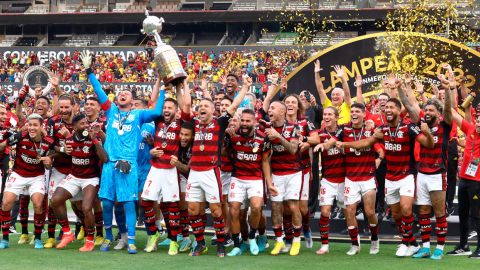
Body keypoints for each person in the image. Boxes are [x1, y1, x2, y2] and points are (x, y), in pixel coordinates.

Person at [80, 50, 165, 254]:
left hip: (129, 164)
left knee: (128, 204)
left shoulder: (138, 114)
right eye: (120, 93)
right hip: (109, 163)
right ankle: (109, 238)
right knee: (107, 203)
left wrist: (163, 90)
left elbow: (158, 112)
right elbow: (99, 89)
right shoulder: (110, 111)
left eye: (127, 93)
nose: (122, 94)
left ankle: (132, 241)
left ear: (132, 99)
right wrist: (89, 71)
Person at [340, 80, 435, 257]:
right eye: (387, 108)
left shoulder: (408, 128)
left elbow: (428, 144)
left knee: (407, 209)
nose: (388, 110)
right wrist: (344, 143)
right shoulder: (381, 130)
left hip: (406, 175)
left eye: (392, 107)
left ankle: (404, 242)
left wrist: (428, 133)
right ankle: (412, 243)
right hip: (390, 177)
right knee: (397, 216)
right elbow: (365, 143)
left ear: (399, 111)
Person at [181, 75, 250, 257]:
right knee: (193, 210)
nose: (202, 108)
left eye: (206, 106)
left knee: (216, 210)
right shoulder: (194, 124)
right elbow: (186, 105)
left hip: (211, 172)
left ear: (213, 110)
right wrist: (185, 85)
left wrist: (245, 87)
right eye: (200, 106)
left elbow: (234, 106)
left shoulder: (219, 123)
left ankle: (220, 245)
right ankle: (200, 244)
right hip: (194, 172)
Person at [319, 103, 384, 255]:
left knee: (369, 212)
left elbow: (366, 143)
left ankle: (374, 239)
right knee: (349, 212)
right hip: (350, 178)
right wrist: (325, 145)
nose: (354, 113)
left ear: (363, 114)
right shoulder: (344, 129)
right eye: (352, 111)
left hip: (367, 177)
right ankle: (355, 244)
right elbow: (329, 144)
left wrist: (345, 144)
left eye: (357, 111)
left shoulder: (370, 130)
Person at [50, 114, 109, 251]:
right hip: (74, 176)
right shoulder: (69, 139)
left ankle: (90, 241)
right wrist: (61, 150)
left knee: (86, 208)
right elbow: (59, 150)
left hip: (91, 177)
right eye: (82, 124)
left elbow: (105, 158)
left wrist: (95, 140)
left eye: (86, 123)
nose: (86, 125)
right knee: (54, 201)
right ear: (74, 127)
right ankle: (67, 232)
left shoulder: (92, 137)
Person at [142, 81, 187, 255]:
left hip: (170, 169)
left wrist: (178, 88)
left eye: (170, 108)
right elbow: (154, 103)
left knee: (170, 205)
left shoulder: (181, 123)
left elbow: (186, 106)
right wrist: (160, 86)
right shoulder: (158, 120)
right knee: (145, 202)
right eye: (165, 107)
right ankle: (154, 234)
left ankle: (174, 242)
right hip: (155, 167)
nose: (166, 110)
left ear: (176, 111)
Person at [224, 109, 274, 256]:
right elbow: (225, 151)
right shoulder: (232, 136)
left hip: (256, 178)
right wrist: (226, 134)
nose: (245, 124)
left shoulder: (263, 138)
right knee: (234, 212)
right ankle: (237, 246)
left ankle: (252, 238)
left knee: (257, 208)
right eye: (243, 121)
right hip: (237, 177)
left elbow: (265, 162)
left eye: (248, 121)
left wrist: (270, 184)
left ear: (254, 122)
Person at [0, 114, 55, 249]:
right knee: (6, 203)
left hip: (37, 176)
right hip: (18, 174)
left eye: (35, 125)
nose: (32, 128)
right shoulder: (20, 136)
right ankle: (5, 239)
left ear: (41, 127)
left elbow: (49, 164)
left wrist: (49, 162)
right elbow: (2, 146)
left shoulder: (48, 141)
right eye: (30, 125)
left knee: (37, 205)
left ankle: (37, 239)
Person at [448, 89, 480, 259]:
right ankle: (463, 246)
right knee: (463, 213)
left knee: (476, 216)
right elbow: (452, 112)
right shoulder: (471, 129)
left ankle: (479, 249)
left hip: (477, 182)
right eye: (479, 121)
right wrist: (447, 89)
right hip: (464, 179)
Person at [44, 94, 76, 249]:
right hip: (59, 168)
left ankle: (84, 231)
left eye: (66, 107)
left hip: (79, 169)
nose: (63, 110)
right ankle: (53, 236)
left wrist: (69, 138)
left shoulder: (80, 122)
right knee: (53, 202)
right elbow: (50, 144)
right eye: (61, 107)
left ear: (74, 106)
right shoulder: (53, 121)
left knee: (79, 205)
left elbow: (83, 147)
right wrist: (63, 149)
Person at [313, 106, 345, 254]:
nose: (326, 116)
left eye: (330, 114)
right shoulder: (319, 134)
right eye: (324, 114)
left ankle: (355, 242)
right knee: (325, 212)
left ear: (337, 117)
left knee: (349, 212)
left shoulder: (345, 132)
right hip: (327, 178)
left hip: (345, 179)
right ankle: (324, 245)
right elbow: (309, 142)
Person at [170, 121, 195, 252]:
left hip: (193, 176)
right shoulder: (176, 142)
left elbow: (188, 170)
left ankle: (189, 238)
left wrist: (177, 164)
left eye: (187, 135)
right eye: (181, 134)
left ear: (193, 136)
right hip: (178, 175)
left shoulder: (196, 146)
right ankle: (179, 235)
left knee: (186, 206)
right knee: (175, 204)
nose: (183, 137)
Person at [314, 60, 352, 125]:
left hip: (343, 133)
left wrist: (343, 78)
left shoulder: (347, 106)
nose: (335, 96)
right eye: (333, 94)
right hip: (327, 133)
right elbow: (320, 90)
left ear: (343, 97)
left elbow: (347, 93)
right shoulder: (328, 105)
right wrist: (316, 74)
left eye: (337, 94)